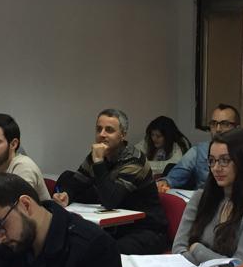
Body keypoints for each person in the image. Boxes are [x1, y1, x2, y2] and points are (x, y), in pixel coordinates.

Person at [53, 108, 168, 254]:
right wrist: (66, 194)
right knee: (74, 243)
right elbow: (77, 182)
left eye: (109, 130)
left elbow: (110, 200)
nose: (102, 134)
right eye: (99, 129)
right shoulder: (96, 155)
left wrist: (99, 162)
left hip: (146, 229)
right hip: (117, 226)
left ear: (123, 135)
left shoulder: (135, 160)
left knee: (105, 253)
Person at [172, 128, 243, 264]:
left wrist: (196, 249)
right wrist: (215, 262)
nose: (216, 168)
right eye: (212, 160)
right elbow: (178, 250)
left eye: (225, 160)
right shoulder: (200, 198)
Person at [158, 104, 241, 190]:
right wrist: (164, 183)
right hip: (205, 197)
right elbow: (174, 177)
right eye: (213, 123)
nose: (218, 129)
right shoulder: (199, 150)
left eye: (225, 124)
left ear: (237, 129)